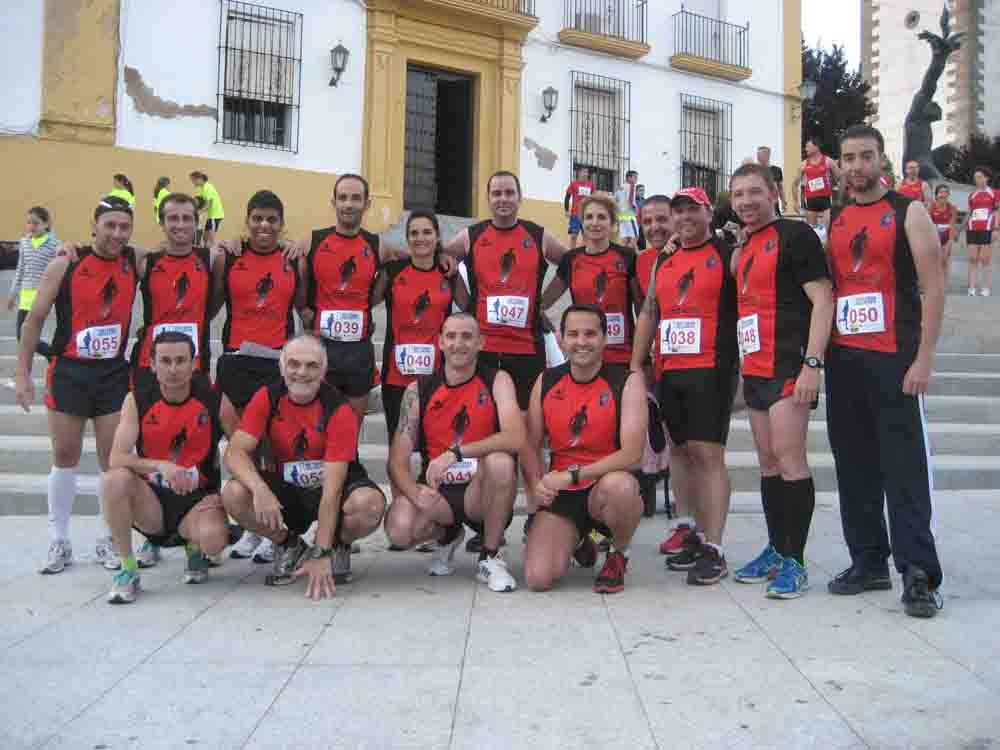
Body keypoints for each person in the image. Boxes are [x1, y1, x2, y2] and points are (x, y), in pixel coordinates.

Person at [825, 124, 945, 619]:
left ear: (882, 160)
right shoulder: (834, 218)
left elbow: (933, 288)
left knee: (904, 468)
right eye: (848, 158)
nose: (857, 167)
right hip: (844, 359)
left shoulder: (908, 212)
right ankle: (868, 559)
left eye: (866, 157)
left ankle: (918, 573)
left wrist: (924, 359)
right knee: (853, 466)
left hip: (894, 358)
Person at [441, 170, 569, 550]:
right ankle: (483, 517)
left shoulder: (536, 234)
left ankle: (536, 509)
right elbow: (444, 256)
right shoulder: (474, 234)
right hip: (484, 351)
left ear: (519, 196)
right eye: (496, 192)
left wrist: (542, 304)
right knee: (485, 433)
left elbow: (571, 264)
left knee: (529, 433)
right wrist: (463, 299)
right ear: (487, 197)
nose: (502, 199)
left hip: (525, 350)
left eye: (509, 192)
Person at [15, 196, 139, 574]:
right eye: (110, 225)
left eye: (124, 227)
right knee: (65, 457)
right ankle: (59, 540)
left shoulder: (135, 261)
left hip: (112, 374)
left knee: (110, 461)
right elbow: (34, 321)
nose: (117, 233)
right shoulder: (65, 264)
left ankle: (108, 538)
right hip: (69, 370)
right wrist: (22, 374)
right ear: (95, 224)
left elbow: (176, 247)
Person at [728, 163, 834, 599]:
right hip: (755, 368)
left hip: (789, 365)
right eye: (738, 195)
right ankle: (776, 548)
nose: (746, 201)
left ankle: (796, 561)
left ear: (774, 192)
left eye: (755, 192)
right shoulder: (745, 244)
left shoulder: (797, 236)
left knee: (791, 462)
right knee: (768, 463)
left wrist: (812, 364)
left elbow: (824, 298)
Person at [222, 334, 387, 596]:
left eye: (311, 366)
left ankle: (338, 545)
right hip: (286, 485)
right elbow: (234, 452)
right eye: (294, 364)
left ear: (323, 371)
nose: (302, 372)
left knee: (369, 504)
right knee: (234, 493)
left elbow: (331, 493)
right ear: (282, 367)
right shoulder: (267, 397)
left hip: (330, 486)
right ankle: (288, 545)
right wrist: (260, 489)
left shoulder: (338, 409)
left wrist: (322, 552)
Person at [630, 187, 738, 585]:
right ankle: (694, 529)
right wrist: (635, 364)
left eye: (693, 209)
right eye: (678, 211)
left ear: (709, 213)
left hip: (711, 368)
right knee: (679, 451)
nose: (685, 217)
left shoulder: (727, 253)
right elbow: (649, 311)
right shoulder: (666, 257)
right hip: (670, 370)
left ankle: (715, 546)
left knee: (708, 455)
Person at [384, 313, 523, 591]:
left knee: (501, 462)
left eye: (467, 336)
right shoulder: (418, 390)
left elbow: (516, 437)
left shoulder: (498, 380)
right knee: (399, 529)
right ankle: (447, 535)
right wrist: (414, 494)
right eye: (451, 336)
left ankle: (491, 555)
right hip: (440, 493)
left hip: (481, 489)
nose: (458, 344)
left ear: (481, 343)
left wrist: (457, 453)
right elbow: (397, 460)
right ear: (440, 343)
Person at [102, 331, 238, 603]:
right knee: (113, 480)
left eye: (180, 360)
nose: (173, 369)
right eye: (165, 361)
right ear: (152, 364)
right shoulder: (137, 400)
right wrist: (159, 465)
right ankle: (128, 569)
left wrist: (231, 492)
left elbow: (241, 447)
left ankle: (194, 548)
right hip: (153, 501)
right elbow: (116, 458)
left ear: (194, 363)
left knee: (213, 540)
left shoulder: (215, 401)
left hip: (197, 498)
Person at [522, 304, 647, 593]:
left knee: (621, 487)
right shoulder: (548, 380)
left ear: (605, 338)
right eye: (573, 334)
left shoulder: (626, 382)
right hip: (563, 493)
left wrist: (573, 475)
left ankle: (618, 553)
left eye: (590, 334)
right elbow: (530, 443)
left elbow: (632, 455)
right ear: (562, 340)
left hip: (605, 487)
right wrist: (534, 484)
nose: (581, 342)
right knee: (538, 578)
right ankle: (578, 538)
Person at [300, 174, 394, 416]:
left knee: (351, 429)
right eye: (342, 198)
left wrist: (442, 253)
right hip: (320, 347)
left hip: (358, 351)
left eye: (355, 198)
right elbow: (289, 273)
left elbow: (410, 258)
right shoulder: (313, 240)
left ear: (367, 203)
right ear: (334, 202)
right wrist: (302, 309)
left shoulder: (377, 246)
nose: (349, 204)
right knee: (317, 425)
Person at [212, 190, 306, 412]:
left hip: (277, 362)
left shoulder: (294, 261)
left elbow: (305, 311)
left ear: (281, 224)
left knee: (270, 439)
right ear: (248, 221)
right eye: (257, 218)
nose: (264, 225)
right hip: (236, 359)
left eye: (272, 219)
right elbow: (209, 309)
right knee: (238, 435)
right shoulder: (229, 257)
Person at [371, 209, 456, 439]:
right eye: (414, 233)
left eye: (427, 232)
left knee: (434, 444)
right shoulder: (393, 271)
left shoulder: (448, 273)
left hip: (437, 374)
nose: (420, 238)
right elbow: (366, 302)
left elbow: (471, 307)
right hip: (396, 376)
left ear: (437, 237)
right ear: (407, 238)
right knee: (399, 444)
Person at [131, 193, 214, 395]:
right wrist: (72, 249)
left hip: (194, 364)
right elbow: (104, 252)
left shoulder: (210, 259)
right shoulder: (145, 261)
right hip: (151, 365)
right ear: (162, 222)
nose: (180, 225)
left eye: (187, 218)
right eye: (173, 218)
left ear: (196, 222)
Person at [541, 193, 637, 365]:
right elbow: (544, 303)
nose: (594, 223)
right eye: (589, 217)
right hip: (584, 355)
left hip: (622, 356)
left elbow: (643, 308)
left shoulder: (627, 257)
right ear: (582, 223)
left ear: (613, 223)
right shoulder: (571, 259)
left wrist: (641, 357)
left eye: (601, 217)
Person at [8, 206, 59, 359]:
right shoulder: (24, 243)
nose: (31, 226)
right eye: (29, 223)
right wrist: (13, 294)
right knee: (22, 337)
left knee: (27, 337)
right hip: (25, 298)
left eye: (35, 223)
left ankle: (51, 356)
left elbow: (59, 271)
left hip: (42, 297)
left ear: (46, 224)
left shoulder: (54, 244)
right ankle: (52, 355)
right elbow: (20, 270)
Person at [793, 139, 840, 231]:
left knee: (825, 231)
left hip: (825, 199)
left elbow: (840, 177)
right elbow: (794, 184)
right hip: (810, 200)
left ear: (816, 147)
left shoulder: (828, 161)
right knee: (812, 231)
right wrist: (795, 202)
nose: (805, 149)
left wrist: (839, 197)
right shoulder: (804, 164)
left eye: (808, 146)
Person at [966, 167, 997, 297]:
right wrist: (959, 230)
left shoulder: (994, 193)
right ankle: (971, 288)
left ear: (986, 178)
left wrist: (996, 228)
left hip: (987, 228)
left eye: (979, 177)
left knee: (985, 260)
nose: (977, 180)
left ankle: (986, 287)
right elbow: (970, 213)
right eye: (975, 177)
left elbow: (997, 211)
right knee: (973, 259)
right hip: (972, 229)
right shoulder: (972, 195)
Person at [928, 184, 958, 279]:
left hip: (946, 236)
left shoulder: (952, 207)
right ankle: (933, 282)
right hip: (933, 237)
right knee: (934, 261)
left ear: (948, 195)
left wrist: (950, 242)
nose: (943, 195)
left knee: (944, 260)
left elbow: (952, 225)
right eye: (941, 192)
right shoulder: (931, 207)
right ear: (936, 195)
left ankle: (943, 285)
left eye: (946, 192)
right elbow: (927, 224)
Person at [190, 171, 225, 247]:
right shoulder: (202, 188)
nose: (193, 183)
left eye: (193, 180)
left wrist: (199, 212)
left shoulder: (207, 188)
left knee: (210, 239)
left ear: (199, 179)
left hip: (215, 216)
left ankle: (213, 254)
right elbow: (199, 200)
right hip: (211, 216)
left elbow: (209, 204)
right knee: (205, 238)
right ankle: (207, 253)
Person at [564, 166, 595, 249]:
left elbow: (593, 198)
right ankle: (572, 252)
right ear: (579, 173)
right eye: (584, 172)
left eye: (587, 172)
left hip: (587, 215)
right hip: (575, 214)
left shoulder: (591, 185)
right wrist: (566, 210)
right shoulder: (574, 184)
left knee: (586, 236)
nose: (586, 174)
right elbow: (567, 197)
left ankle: (582, 254)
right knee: (574, 235)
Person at [614, 170, 640, 249]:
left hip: (621, 215)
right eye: (635, 177)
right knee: (635, 236)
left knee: (625, 238)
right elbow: (630, 201)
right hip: (628, 214)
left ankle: (622, 255)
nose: (636, 179)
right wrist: (635, 209)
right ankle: (628, 255)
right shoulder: (631, 186)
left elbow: (615, 200)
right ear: (629, 178)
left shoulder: (620, 187)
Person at [757, 146, 786, 215]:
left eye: (760, 155)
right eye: (757, 155)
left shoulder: (776, 170)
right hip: (759, 204)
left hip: (773, 204)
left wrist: (783, 201)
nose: (758, 157)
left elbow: (780, 188)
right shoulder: (755, 170)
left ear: (767, 155)